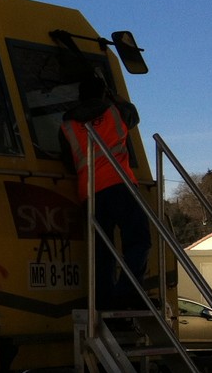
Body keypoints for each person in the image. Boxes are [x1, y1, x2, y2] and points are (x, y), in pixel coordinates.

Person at [59, 72, 151, 310]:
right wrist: (114, 96)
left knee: (101, 251)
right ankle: (128, 293)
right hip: (120, 185)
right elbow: (133, 112)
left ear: (80, 97)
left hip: (90, 193)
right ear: (104, 94)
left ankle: (104, 302)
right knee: (139, 240)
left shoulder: (67, 126)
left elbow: (68, 162)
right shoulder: (116, 112)